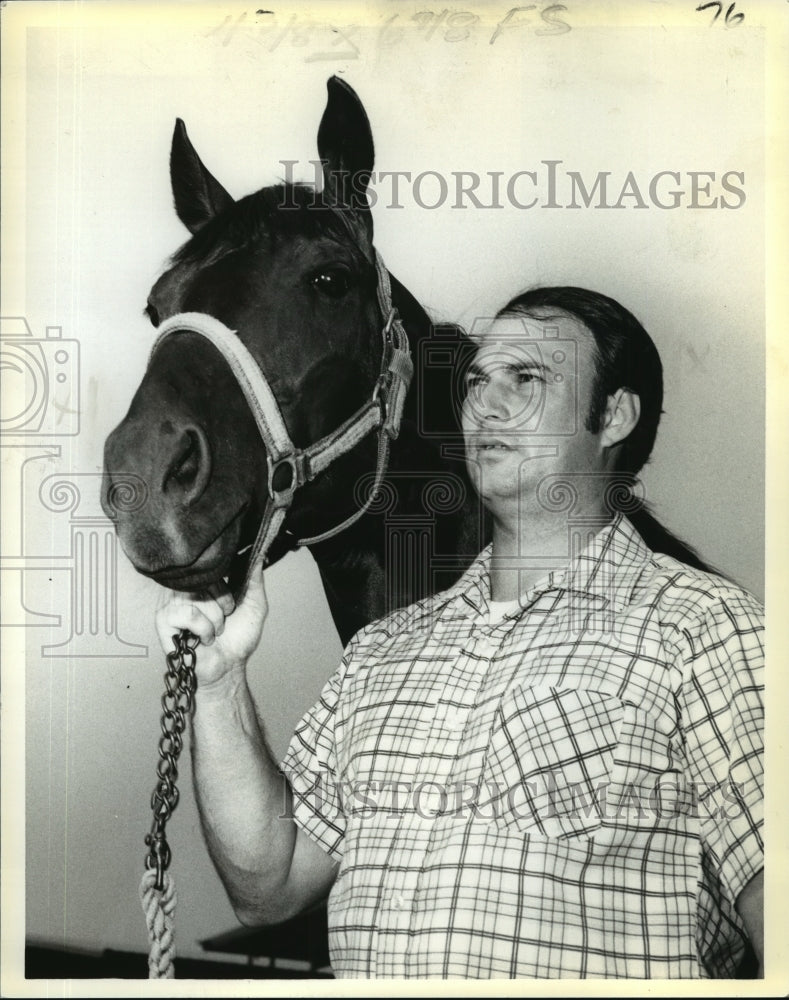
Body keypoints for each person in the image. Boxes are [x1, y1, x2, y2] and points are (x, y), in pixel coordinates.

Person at [156, 286, 764, 979]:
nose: (485, 406)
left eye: (525, 379)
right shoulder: (382, 651)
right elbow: (268, 886)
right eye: (476, 382)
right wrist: (219, 681)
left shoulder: (705, 629)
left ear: (614, 416)